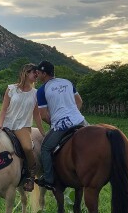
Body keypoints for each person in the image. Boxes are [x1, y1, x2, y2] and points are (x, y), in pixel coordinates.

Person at [34, 60, 88, 190]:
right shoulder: (67, 82)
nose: (37, 75)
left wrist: (55, 123)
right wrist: (73, 114)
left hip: (61, 125)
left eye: (39, 72)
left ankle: (48, 179)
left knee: (45, 148)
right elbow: (79, 102)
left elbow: (43, 115)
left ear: (44, 74)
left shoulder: (42, 90)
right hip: (80, 120)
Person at [0, 63, 45, 192]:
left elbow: (36, 115)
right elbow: (3, 109)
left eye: (37, 74)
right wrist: (0, 123)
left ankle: (30, 177)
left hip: (22, 126)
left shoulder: (35, 93)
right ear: (26, 73)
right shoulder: (11, 89)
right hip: (7, 124)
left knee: (27, 148)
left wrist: (42, 132)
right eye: (34, 73)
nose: (36, 76)